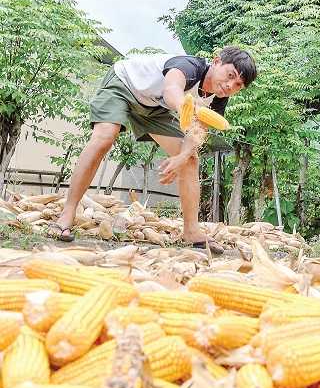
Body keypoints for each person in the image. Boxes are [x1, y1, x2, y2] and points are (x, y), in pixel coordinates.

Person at [47, 46, 257, 254]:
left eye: (238, 84)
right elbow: (171, 89)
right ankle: (67, 213)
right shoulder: (189, 66)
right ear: (217, 61)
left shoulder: (219, 97)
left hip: (155, 108)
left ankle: (191, 231)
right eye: (230, 75)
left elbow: (198, 131)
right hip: (125, 85)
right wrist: (186, 108)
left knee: (191, 160)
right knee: (104, 138)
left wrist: (182, 157)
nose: (230, 85)